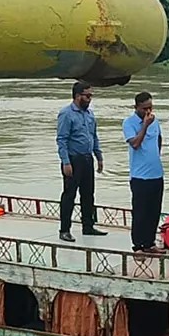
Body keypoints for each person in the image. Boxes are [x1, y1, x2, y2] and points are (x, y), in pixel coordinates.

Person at [57, 81, 106, 243]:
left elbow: (94, 136)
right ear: (78, 96)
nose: (90, 99)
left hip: (87, 158)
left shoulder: (90, 114)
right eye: (87, 96)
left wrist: (98, 156)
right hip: (73, 159)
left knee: (88, 194)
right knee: (69, 195)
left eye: (91, 96)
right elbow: (62, 139)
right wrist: (65, 162)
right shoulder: (66, 114)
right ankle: (64, 230)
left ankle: (88, 226)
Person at [123, 91, 165, 254]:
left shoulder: (155, 122)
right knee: (140, 211)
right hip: (139, 176)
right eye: (144, 109)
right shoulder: (129, 123)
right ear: (136, 107)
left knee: (154, 211)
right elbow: (135, 144)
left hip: (156, 174)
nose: (148, 112)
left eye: (150, 108)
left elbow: (158, 141)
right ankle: (138, 246)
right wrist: (145, 125)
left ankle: (149, 243)